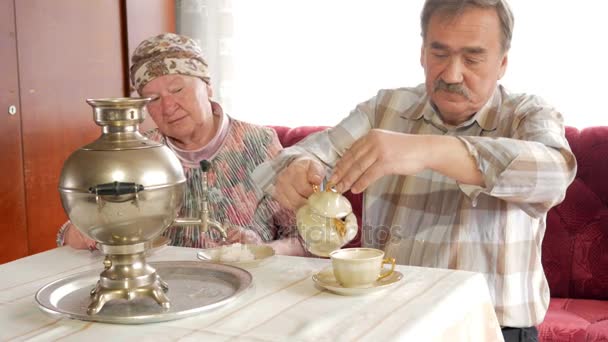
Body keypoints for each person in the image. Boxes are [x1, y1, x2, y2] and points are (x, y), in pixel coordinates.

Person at [252, 0, 576, 340]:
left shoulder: (527, 114)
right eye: (439, 54)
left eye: (472, 58)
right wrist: (298, 168)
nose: (452, 74)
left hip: (490, 330)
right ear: (422, 53)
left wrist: (429, 150)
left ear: (503, 63)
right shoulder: (386, 109)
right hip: (390, 324)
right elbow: (303, 154)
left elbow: (554, 174)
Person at [57, 33, 305, 256]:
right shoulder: (137, 154)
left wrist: (264, 250)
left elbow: (305, 237)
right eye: (153, 98)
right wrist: (79, 232)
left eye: (177, 89)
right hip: (165, 287)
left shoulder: (259, 143)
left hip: (248, 285)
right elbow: (81, 228)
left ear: (208, 87)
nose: (168, 106)